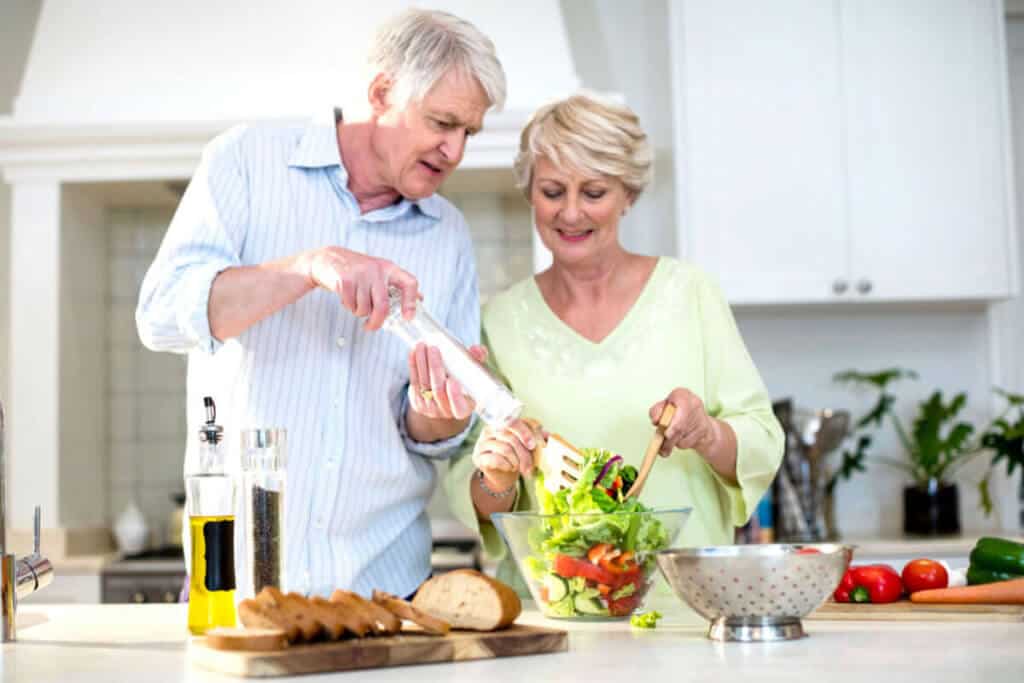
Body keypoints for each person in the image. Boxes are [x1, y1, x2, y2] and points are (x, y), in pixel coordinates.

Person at [136, 8, 506, 599]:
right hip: (238, 589)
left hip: (390, 593)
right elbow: (161, 314)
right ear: (382, 92)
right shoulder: (246, 163)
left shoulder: (447, 234)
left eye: (470, 132)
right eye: (443, 122)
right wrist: (310, 267)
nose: (455, 150)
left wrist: (442, 413)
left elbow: (431, 436)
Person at [444, 93, 784, 592]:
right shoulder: (499, 322)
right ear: (530, 193)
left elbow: (761, 441)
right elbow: (476, 494)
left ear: (628, 194)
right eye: (553, 191)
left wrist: (705, 433)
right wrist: (495, 477)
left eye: (595, 192)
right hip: (555, 614)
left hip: (683, 606)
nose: (571, 213)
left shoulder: (689, 294)